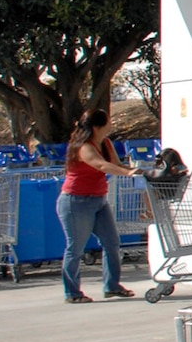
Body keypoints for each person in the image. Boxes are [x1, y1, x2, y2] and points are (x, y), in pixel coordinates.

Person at [56, 109, 138, 303]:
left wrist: (139, 171)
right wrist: (127, 174)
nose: (111, 125)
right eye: (108, 122)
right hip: (76, 202)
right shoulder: (84, 147)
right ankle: (72, 293)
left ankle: (112, 286)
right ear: (97, 126)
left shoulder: (106, 143)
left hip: (99, 200)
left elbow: (116, 164)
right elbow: (100, 165)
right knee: (75, 249)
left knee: (111, 242)